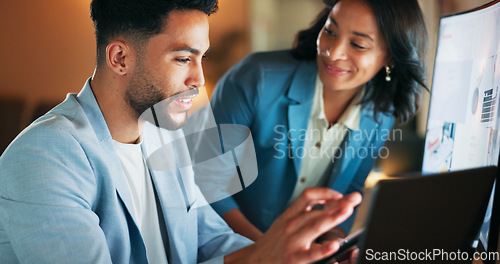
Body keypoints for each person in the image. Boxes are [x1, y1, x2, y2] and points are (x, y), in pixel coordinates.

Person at [0, 0, 363, 263]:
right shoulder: (42, 156)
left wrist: (296, 256)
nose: (199, 79)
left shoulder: (167, 135)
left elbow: (209, 237)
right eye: (183, 58)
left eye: (201, 58)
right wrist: (259, 260)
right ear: (120, 58)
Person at [207, 0, 428, 242]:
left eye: (358, 44)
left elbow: (350, 189)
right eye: (330, 31)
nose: (333, 52)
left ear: (391, 58)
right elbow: (207, 179)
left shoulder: (381, 113)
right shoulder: (255, 78)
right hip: (225, 246)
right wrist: (265, 252)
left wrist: (333, 241)